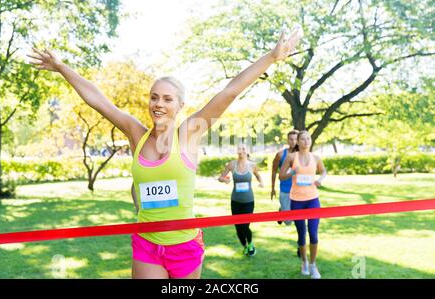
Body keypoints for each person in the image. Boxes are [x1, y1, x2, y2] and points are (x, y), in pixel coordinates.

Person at [28, 27, 303, 279]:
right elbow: (100, 101)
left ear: (180, 105)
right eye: (154, 97)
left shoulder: (188, 134)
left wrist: (271, 57)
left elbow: (229, 92)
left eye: (167, 99)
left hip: (184, 245)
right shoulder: (136, 134)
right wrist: (63, 68)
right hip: (147, 245)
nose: (158, 104)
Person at [279, 130, 327, 279]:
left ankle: (313, 265)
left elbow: (324, 171)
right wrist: (293, 173)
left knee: (313, 233)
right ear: (298, 142)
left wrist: (321, 179)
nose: (306, 141)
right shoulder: (292, 157)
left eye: (308, 139)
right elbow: (281, 176)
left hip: (313, 199)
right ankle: (304, 262)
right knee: (301, 234)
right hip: (297, 201)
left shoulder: (316, 158)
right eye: (303, 139)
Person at [217, 144, 264, 256]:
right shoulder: (232, 165)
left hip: (248, 201)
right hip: (235, 201)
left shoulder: (252, 165)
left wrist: (261, 182)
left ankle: (251, 244)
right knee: (238, 227)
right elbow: (220, 177)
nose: (241, 151)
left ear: (247, 151)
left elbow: (258, 175)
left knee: (245, 225)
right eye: (239, 149)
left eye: (243, 148)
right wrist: (225, 180)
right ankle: (245, 246)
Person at [271, 129, 298, 225]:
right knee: (288, 221)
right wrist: (273, 188)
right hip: (285, 189)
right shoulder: (280, 154)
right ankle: (282, 210)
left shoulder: (303, 155)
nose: (293, 142)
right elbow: (274, 170)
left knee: (300, 217)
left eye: (296, 139)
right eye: (291, 139)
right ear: (287, 140)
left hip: (299, 190)